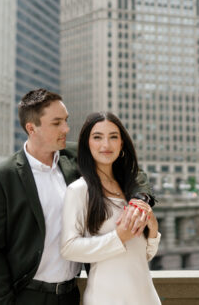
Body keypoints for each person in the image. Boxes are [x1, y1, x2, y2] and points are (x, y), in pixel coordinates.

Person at [0, 89, 151, 305]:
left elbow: (130, 170)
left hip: (71, 294)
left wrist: (141, 199)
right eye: (56, 123)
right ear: (32, 128)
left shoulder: (76, 158)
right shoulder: (3, 176)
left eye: (66, 121)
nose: (66, 129)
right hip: (26, 295)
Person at [60, 112, 160, 305]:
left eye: (113, 137)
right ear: (87, 144)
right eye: (97, 137)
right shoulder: (79, 190)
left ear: (122, 143)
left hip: (147, 297)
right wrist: (118, 237)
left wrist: (153, 229)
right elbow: (69, 249)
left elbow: (143, 255)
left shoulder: (129, 189)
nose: (106, 145)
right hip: (106, 298)